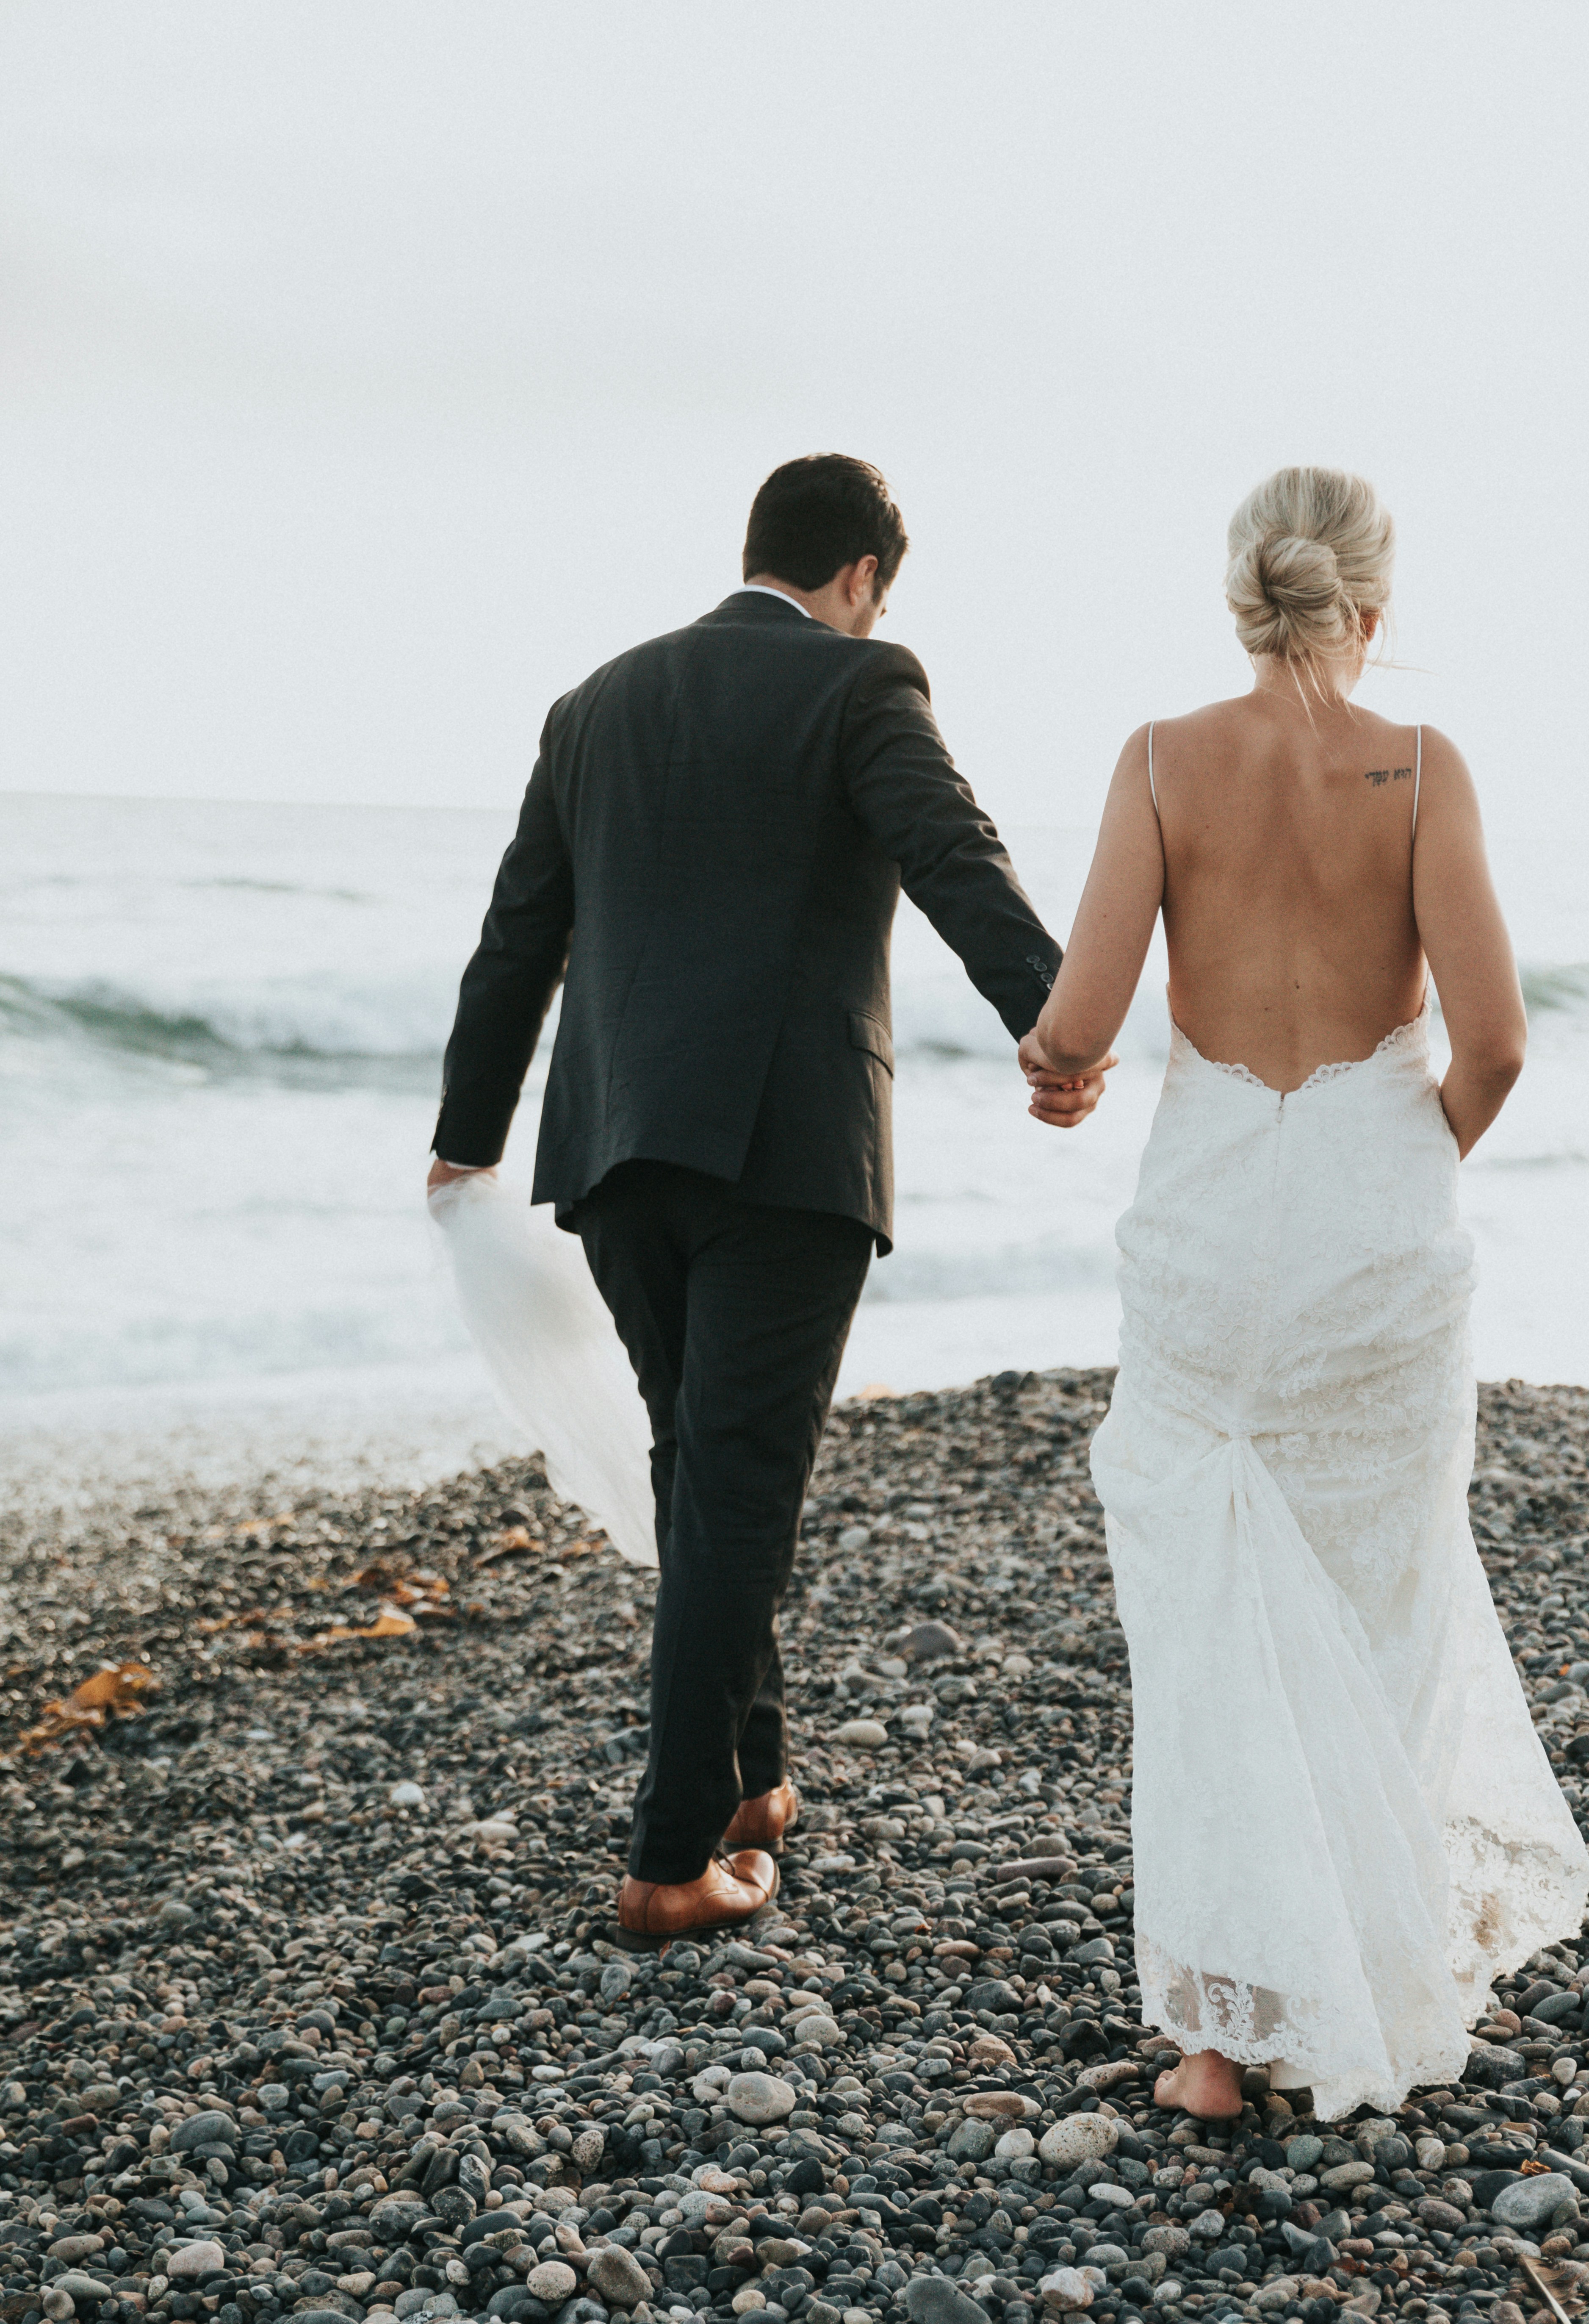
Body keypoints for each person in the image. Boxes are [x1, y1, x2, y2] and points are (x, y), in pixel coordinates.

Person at [429, 454, 1108, 1938]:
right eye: (878, 596)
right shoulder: (863, 685)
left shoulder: (596, 702)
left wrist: (465, 1135)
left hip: (613, 1151)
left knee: (701, 1460)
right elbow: (952, 854)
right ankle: (670, 1863)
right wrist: (1055, 1027)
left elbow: (518, 934)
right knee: (737, 1484)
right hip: (787, 1153)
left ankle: (752, 1783)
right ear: (862, 578)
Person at [1023, 466, 1589, 2121]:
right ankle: (1363, 1965)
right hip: (1376, 1226)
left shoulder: (1158, 760)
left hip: (1209, 1225)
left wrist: (1058, 1068)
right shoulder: (1420, 769)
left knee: (1209, 1622)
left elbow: (1080, 1021)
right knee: (1378, 1597)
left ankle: (1219, 2038)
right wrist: (1399, 1158)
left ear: (1240, 598)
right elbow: (1494, 1044)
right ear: (1372, 608)